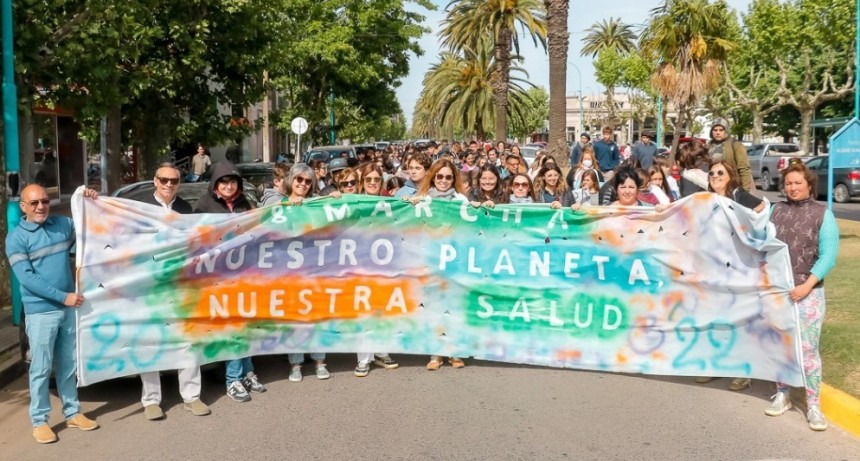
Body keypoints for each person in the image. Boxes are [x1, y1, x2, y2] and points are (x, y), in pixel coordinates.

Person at [5, 184, 100, 443]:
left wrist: (86, 197)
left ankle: (72, 413)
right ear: (23, 207)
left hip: (68, 310)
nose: (40, 207)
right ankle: (40, 421)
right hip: (41, 313)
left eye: (45, 201)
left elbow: (87, 220)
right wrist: (63, 297)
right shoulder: (16, 238)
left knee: (68, 365)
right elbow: (27, 278)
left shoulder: (61, 225)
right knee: (41, 368)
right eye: (34, 203)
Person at [766, 162, 838, 431]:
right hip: (779, 293)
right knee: (780, 346)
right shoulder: (777, 210)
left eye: (797, 183)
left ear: (809, 185)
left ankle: (814, 405)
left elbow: (828, 256)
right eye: (788, 183)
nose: (792, 188)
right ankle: (782, 393)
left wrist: (807, 286)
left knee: (807, 350)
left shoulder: (822, 214)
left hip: (808, 293)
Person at [135, 163, 209, 419]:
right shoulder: (140, 209)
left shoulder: (185, 209)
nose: (168, 185)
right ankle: (151, 400)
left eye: (174, 181)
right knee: (151, 340)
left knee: (187, 340)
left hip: (181, 286)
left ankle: (192, 396)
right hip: (150, 286)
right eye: (163, 180)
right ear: (154, 180)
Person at [194, 161, 266, 402]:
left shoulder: (245, 204)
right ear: (215, 183)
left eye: (232, 180)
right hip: (219, 277)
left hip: (245, 274)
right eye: (223, 181)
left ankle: (248, 371)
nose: (228, 185)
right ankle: (232, 379)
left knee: (246, 325)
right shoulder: (204, 205)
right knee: (232, 326)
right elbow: (194, 237)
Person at [708, 118, 753, 191]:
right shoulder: (708, 146)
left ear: (726, 131)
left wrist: (744, 191)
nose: (718, 132)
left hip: (731, 188)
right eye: (715, 130)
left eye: (721, 130)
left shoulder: (735, 145)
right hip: (713, 189)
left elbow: (744, 169)